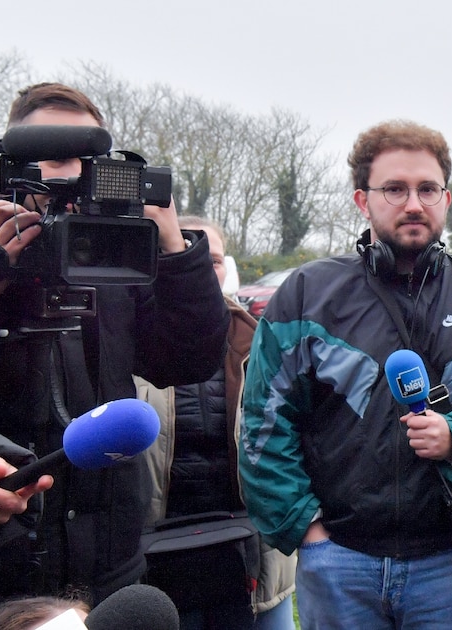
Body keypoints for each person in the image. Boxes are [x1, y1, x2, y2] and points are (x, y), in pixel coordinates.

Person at [238, 120, 452, 630]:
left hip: (450, 565)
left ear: (446, 198)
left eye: (427, 189)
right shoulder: (307, 295)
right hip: (338, 560)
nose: (413, 203)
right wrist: (309, 532)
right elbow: (263, 425)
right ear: (362, 199)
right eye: (394, 189)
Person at [0, 83, 229, 621]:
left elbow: (190, 360)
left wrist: (174, 248)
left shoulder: (115, 260)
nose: (73, 176)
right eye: (58, 158)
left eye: (90, 161)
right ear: (10, 166)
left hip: (108, 565)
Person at [137, 216, 295, 630]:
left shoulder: (260, 341)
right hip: (156, 556)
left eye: (215, 259)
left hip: (250, 555)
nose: (203, 268)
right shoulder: (129, 341)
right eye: (186, 253)